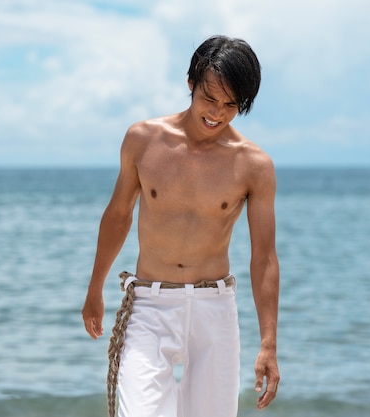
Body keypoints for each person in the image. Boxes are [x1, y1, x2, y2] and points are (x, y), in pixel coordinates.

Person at [82, 35, 280, 417]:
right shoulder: (143, 140)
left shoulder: (254, 165)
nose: (217, 113)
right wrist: (94, 288)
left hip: (214, 311)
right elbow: (118, 215)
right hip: (149, 306)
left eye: (230, 105)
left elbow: (265, 257)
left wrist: (268, 342)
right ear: (190, 83)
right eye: (209, 98)